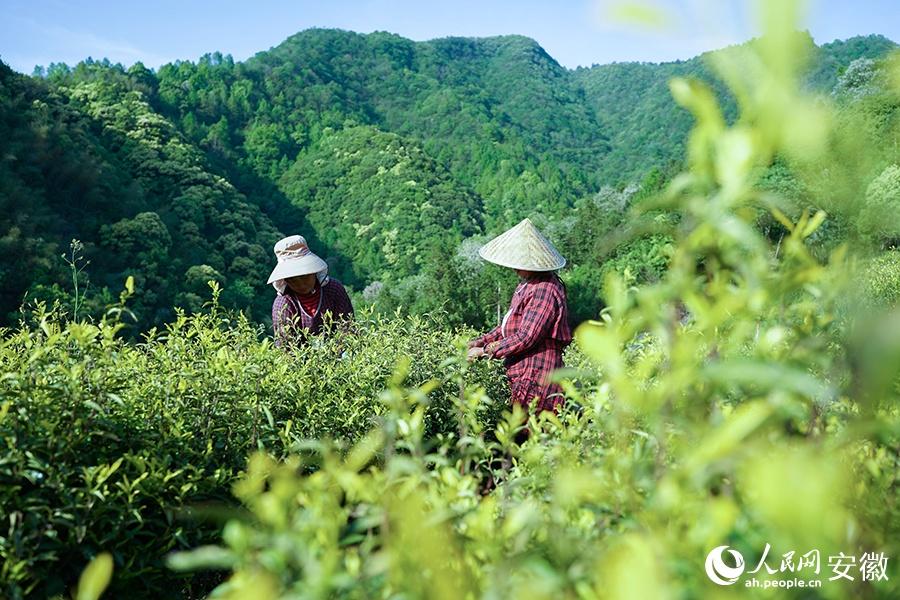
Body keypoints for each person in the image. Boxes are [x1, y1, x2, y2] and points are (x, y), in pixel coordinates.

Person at [467, 218, 572, 414]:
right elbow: (508, 327)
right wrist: (477, 342)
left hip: (537, 371)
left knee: (531, 431)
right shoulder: (527, 285)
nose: (514, 267)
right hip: (522, 369)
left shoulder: (545, 289)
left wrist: (485, 351)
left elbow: (527, 336)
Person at [267, 235, 354, 348]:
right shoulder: (283, 304)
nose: (301, 284)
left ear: (313, 271)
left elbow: (348, 330)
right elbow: (286, 349)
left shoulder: (333, 289)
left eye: (304, 276)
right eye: (293, 279)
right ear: (285, 280)